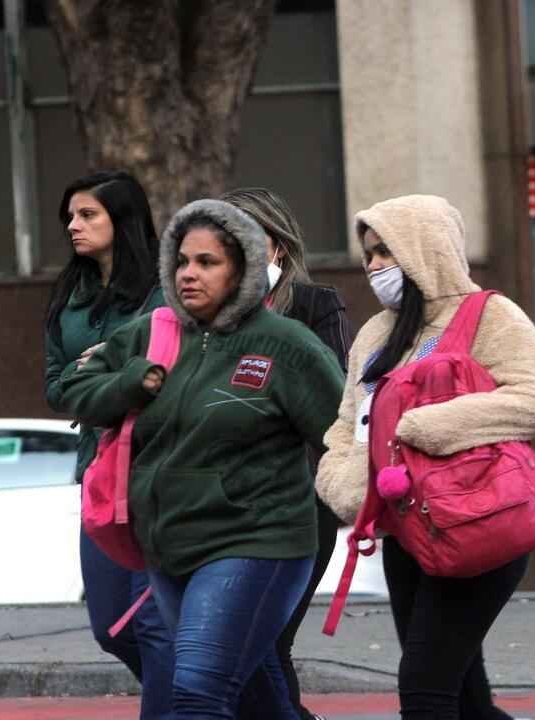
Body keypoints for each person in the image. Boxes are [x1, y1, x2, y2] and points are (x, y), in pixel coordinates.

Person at [61, 198, 346, 718]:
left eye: (207, 262)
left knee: (195, 688)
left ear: (244, 266)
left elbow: (341, 434)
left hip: (257, 539)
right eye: (182, 261)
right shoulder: (155, 332)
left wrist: (375, 502)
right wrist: (129, 384)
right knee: (250, 691)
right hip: (169, 543)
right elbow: (74, 386)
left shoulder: (288, 344)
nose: (189, 274)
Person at [315, 194, 535, 720]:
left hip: (478, 520)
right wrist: (345, 485)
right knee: (465, 699)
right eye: (368, 254)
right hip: (408, 530)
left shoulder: (490, 316)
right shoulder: (375, 333)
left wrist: (430, 427)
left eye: (387, 250)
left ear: (425, 247)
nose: (375, 265)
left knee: (425, 688)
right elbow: (348, 423)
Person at [43, 170, 173, 719]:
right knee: (109, 626)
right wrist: (102, 375)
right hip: (97, 468)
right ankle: (204, 695)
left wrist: (101, 370)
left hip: (158, 468)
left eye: (87, 214)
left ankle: (183, 707)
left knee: (152, 619)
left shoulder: (163, 290)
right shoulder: (68, 297)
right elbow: (56, 386)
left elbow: (166, 372)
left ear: (123, 220)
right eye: (70, 216)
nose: (74, 226)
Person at [221, 187, 353, 720]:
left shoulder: (316, 305)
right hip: (221, 500)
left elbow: (334, 399)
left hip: (297, 499)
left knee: (266, 642)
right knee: (233, 650)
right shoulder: (199, 313)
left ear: (276, 249)